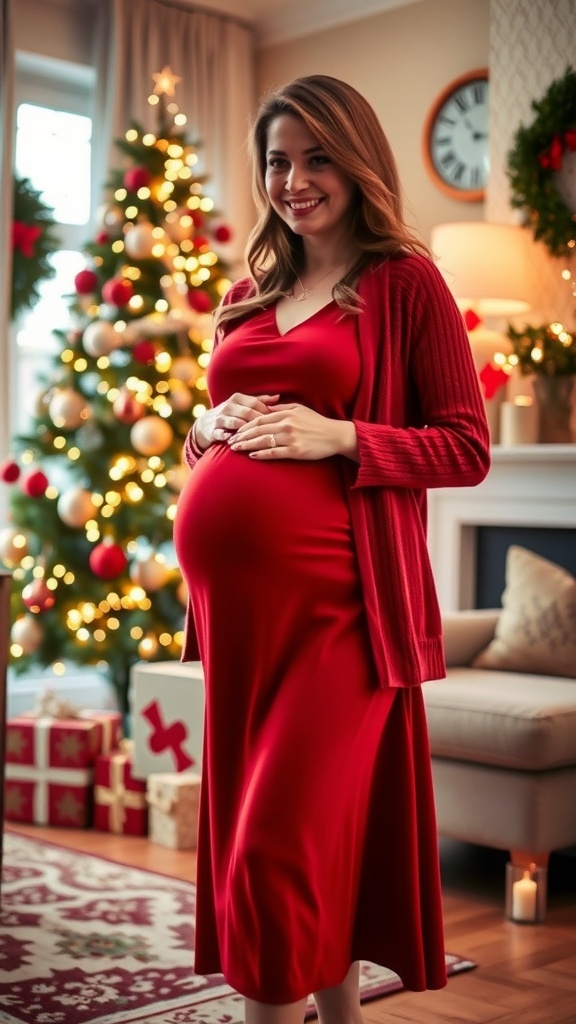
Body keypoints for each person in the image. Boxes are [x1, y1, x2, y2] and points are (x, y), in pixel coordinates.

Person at [173, 74, 490, 1024]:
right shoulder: (248, 292)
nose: (294, 179)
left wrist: (342, 435)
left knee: (276, 840)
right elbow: (222, 430)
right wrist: (206, 426)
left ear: (355, 161)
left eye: (316, 158)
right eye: (277, 160)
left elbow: (468, 447)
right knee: (308, 840)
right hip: (241, 620)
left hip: (344, 612)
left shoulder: (405, 282)